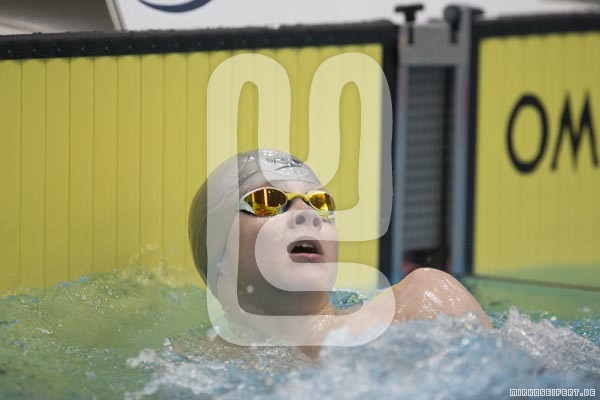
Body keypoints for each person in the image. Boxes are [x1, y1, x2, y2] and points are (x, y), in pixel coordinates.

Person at [189, 149, 490, 354]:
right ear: (217, 254)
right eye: (267, 200)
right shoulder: (195, 363)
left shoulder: (416, 306)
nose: (307, 214)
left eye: (320, 203)